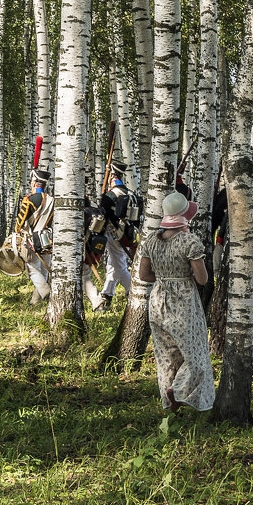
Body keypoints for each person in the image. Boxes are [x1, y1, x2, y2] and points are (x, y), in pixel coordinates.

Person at [138, 192, 215, 412]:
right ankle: (179, 391)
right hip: (183, 302)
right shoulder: (189, 241)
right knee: (195, 354)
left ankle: (170, 405)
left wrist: (165, 277)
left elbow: (144, 275)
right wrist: (182, 276)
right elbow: (202, 279)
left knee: (166, 357)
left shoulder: (152, 240)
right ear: (184, 219)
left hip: (158, 300)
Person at [98, 161, 140, 310]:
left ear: (111, 176)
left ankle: (134, 292)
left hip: (114, 233)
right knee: (113, 264)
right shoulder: (129, 192)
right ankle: (107, 294)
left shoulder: (110, 195)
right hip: (127, 233)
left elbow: (102, 216)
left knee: (119, 266)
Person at [13, 168, 54, 305]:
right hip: (48, 239)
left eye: (32, 181)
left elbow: (20, 222)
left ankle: (46, 292)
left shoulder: (29, 200)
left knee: (33, 270)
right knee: (44, 270)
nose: (31, 183)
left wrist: (17, 232)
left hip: (32, 239)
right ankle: (36, 301)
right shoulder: (52, 200)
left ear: (35, 183)